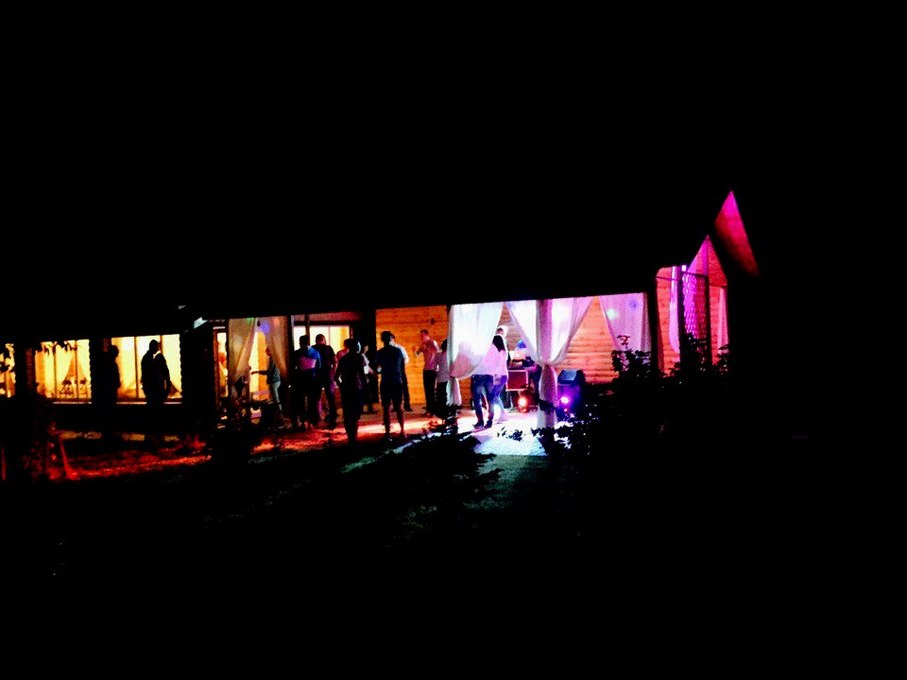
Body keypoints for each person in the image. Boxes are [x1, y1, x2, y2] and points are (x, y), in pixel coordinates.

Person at [374, 330, 406, 440]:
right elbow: (402, 367)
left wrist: (380, 370)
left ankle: (388, 433)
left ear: (382, 340)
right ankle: (402, 431)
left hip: (386, 381)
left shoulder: (380, 352)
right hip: (397, 381)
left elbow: (377, 368)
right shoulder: (398, 351)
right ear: (391, 339)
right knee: (399, 407)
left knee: (386, 408)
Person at [334, 338, 367, 444]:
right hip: (356, 388)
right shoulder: (359, 358)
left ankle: (350, 438)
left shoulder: (343, 359)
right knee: (355, 415)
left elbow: (336, 376)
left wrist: (341, 386)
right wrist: (365, 388)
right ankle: (354, 438)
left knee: (347, 414)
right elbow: (362, 375)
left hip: (346, 388)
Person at [140, 339, 170, 450]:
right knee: (154, 412)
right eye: (157, 346)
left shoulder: (149, 358)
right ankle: (153, 436)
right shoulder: (149, 359)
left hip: (152, 391)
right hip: (153, 391)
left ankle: (152, 436)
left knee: (153, 412)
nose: (158, 348)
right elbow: (150, 376)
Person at [291, 335, 321, 430]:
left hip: (300, 380)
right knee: (312, 402)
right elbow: (319, 366)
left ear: (301, 342)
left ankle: (303, 421)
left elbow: (293, 367)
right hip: (312, 379)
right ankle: (311, 422)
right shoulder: (315, 352)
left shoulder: (297, 353)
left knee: (301, 402)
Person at [95, 345, 121, 443]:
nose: (117, 355)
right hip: (109, 393)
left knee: (108, 413)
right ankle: (108, 433)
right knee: (109, 412)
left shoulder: (106, 363)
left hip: (107, 393)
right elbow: (112, 378)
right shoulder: (110, 364)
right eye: (116, 353)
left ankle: (107, 432)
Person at [312, 334, 337, 428]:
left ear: (316, 340)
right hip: (327, 374)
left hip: (317, 375)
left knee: (316, 397)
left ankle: (316, 417)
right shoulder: (328, 348)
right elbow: (335, 361)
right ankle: (332, 416)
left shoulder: (313, 348)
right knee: (331, 397)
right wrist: (333, 372)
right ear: (323, 340)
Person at [414, 329, 440, 416]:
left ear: (426, 335)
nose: (421, 337)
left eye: (422, 335)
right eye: (420, 335)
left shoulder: (432, 342)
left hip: (433, 369)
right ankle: (429, 409)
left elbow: (438, 352)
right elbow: (417, 355)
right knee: (427, 390)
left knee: (431, 390)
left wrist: (427, 349)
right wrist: (414, 350)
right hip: (426, 369)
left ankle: (433, 410)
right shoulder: (422, 344)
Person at [390, 334, 413, 412]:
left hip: (400, 371)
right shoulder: (389, 350)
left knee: (405, 388)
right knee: (393, 389)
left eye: (390, 340)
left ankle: (407, 405)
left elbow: (406, 358)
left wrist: (400, 365)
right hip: (392, 372)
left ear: (393, 339)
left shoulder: (400, 348)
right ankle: (395, 406)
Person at [433, 339, 450, 425]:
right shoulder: (450, 355)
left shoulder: (438, 354)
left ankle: (442, 414)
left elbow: (435, 367)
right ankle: (447, 414)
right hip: (449, 378)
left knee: (441, 397)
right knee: (447, 397)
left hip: (440, 378)